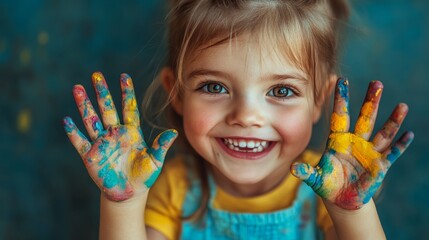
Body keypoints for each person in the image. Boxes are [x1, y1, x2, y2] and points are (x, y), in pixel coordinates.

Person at [63, 0, 414, 239]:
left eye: (281, 91)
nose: (246, 116)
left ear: (319, 100)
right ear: (178, 92)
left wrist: (352, 214)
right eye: (214, 86)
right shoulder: (174, 190)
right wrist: (122, 202)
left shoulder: (330, 190)